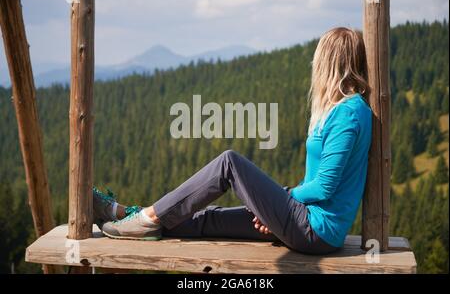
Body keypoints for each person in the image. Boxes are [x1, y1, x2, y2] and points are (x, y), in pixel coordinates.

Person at [93, 27, 372, 255]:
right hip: (304, 218)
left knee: (229, 163)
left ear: (328, 63)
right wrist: (274, 210)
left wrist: (280, 203)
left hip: (315, 229)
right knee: (208, 219)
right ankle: (125, 214)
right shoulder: (346, 110)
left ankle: (144, 219)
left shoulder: (349, 113)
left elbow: (324, 187)